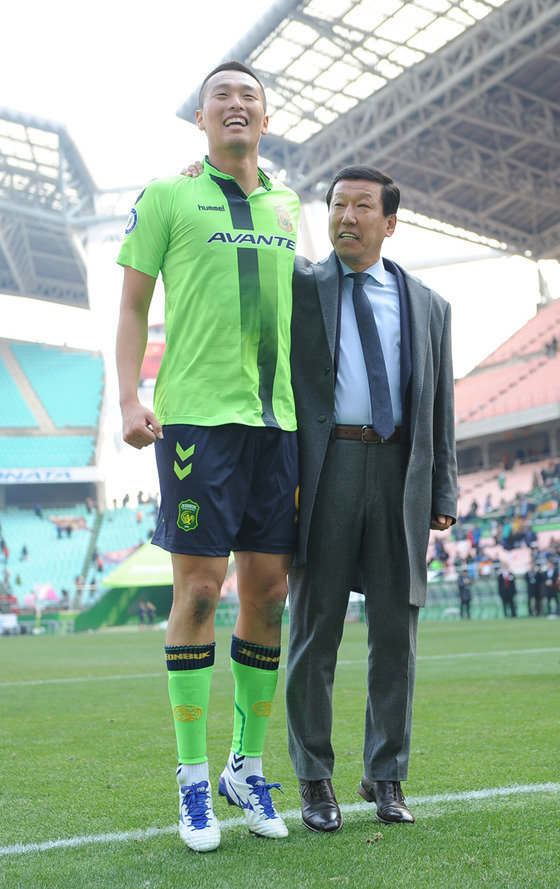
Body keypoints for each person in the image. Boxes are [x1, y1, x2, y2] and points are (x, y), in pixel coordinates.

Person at [115, 61, 299, 853]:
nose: (235, 103)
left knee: (270, 589)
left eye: (248, 95)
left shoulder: (290, 205)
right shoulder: (167, 195)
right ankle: (193, 779)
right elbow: (130, 304)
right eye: (221, 94)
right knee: (198, 588)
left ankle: (244, 763)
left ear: (265, 117)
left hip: (277, 423)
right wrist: (129, 397)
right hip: (195, 422)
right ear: (200, 118)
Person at [286, 165, 457, 832]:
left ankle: (386, 776)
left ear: (390, 222)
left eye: (362, 206)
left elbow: (440, 406)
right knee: (314, 629)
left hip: (400, 475)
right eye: (336, 205)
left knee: (396, 632)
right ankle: (313, 777)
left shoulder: (429, 306)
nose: (346, 216)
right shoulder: (299, 287)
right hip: (325, 472)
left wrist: (441, 487)